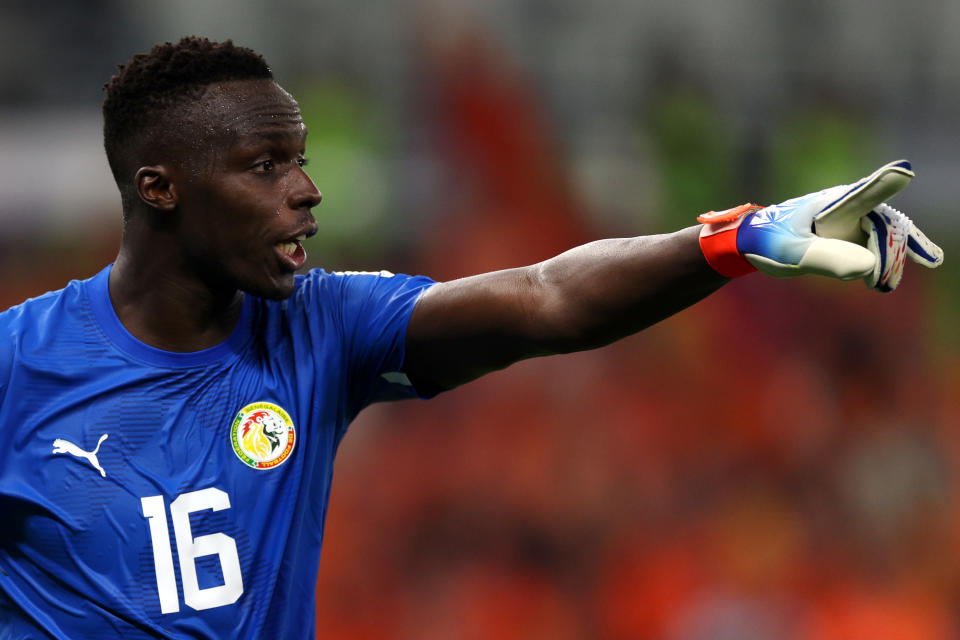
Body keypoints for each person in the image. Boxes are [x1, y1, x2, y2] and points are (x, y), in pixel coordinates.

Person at [0, 37, 943, 639]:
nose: (308, 190)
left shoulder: (319, 324)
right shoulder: (17, 366)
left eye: (301, 159)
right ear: (159, 188)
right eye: (264, 165)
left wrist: (736, 240)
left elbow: (546, 298)